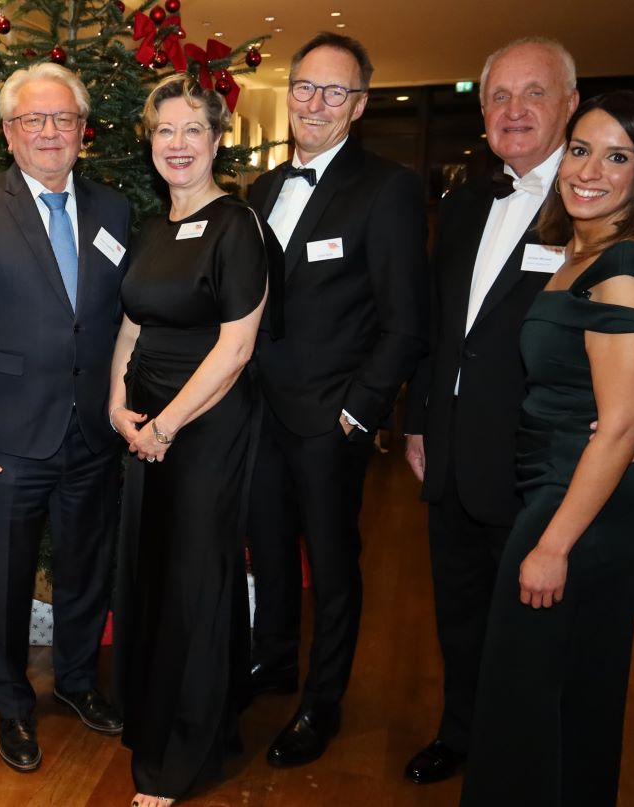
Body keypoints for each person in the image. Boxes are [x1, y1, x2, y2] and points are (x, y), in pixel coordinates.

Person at [400, 38, 634, 786]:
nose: (513, 112)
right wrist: (417, 417)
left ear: (568, 104)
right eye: (498, 97)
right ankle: (464, 730)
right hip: (453, 444)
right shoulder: (468, 199)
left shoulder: (616, 235)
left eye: (533, 94)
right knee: (467, 611)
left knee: (541, 653)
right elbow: (443, 324)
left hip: (544, 468)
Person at [460, 90, 634, 807]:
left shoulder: (627, 263)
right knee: (558, 696)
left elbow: (620, 426)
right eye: (582, 149)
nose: (589, 169)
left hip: (576, 504)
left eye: (618, 156)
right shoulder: (585, 250)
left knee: (531, 698)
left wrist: (554, 543)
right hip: (558, 488)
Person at [0, 62, 131, 773]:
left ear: (83, 130)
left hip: (93, 433)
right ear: (9, 133)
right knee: (10, 578)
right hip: (8, 436)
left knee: (85, 568)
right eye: (33, 121)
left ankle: (77, 681)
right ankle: (11, 703)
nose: (50, 133)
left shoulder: (114, 211)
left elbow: (119, 324)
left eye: (63, 119)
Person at [243, 32, 429, 767]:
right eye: (304, 88)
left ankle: (323, 700)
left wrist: (359, 412)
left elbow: (406, 320)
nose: (314, 104)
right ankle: (274, 661)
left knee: (334, 562)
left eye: (333, 92)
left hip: (329, 421)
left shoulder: (386, 188)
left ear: (360, 105)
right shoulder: (261, 188)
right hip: (257, 413)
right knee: (270, 552)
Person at [107, 74, 273, 806]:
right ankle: (169, 709)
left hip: (204, 425)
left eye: (191, 131)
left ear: (215, 140)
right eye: (164, 132)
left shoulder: (237, 226)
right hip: (145, 425)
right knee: (152, 569)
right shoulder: (150, 229)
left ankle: (182, 753)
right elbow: (132, 322)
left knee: (194, 578)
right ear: (151, 145)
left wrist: (168, 424)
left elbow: (236, 348)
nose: (177, 145)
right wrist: (118, 403)